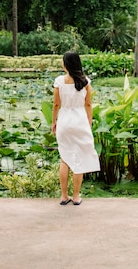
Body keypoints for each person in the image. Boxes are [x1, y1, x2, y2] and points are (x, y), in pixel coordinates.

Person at [51, 50, 100, 206]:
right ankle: (77, 196)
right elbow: (88, 104)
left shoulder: (59, 81)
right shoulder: (85, 81)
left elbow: (56, 104)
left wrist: (54, 121)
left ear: (65, 64)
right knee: (79, 159)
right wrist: (89, 122)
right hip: (80, 121)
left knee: (65, 158)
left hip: (64, 120)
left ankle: (64, 196)